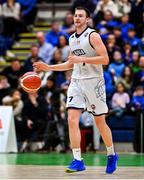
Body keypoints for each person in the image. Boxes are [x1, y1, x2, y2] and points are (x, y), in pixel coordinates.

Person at [33, 7, 119, 174]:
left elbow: (106, 59)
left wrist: (83, 59)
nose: (77, 18)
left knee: (100, 122)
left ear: (87, 19)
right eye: (75, 15)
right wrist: (48, 67)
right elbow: (70, 64)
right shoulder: (72, 38)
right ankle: (77, 160)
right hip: (76, 82)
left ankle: (111, 154)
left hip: (94, 83)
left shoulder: (93, 35)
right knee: (72, 119)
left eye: (81, 16)